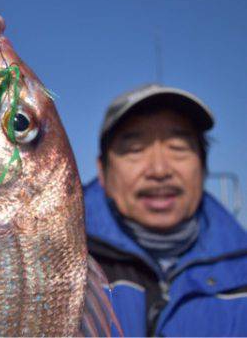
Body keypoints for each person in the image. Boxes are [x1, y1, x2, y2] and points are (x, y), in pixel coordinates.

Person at [85, 84, 247, 336]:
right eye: (135, 150)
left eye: (178, 148)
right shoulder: (51, 266)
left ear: (204, 167)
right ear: (102, 171)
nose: (159, 170)